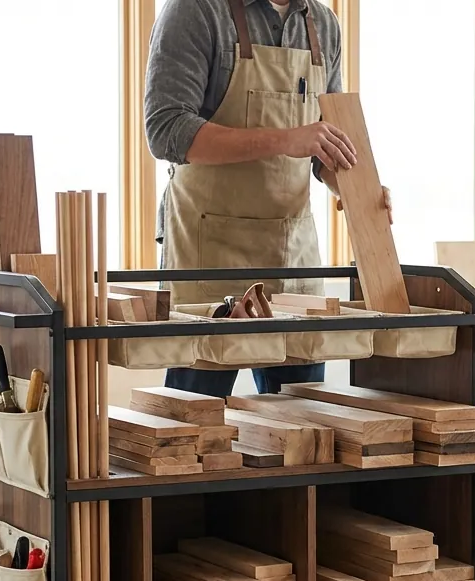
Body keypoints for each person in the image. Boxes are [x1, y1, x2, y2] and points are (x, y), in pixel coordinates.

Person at [144, 0, 392, 397]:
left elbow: (324, 147)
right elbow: (166, 129)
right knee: (194, 432)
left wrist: (356, 188)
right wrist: (284, 139)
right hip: (211, 258)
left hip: (294, 263)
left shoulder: (322, 24)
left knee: (305, 437)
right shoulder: (196, 11)